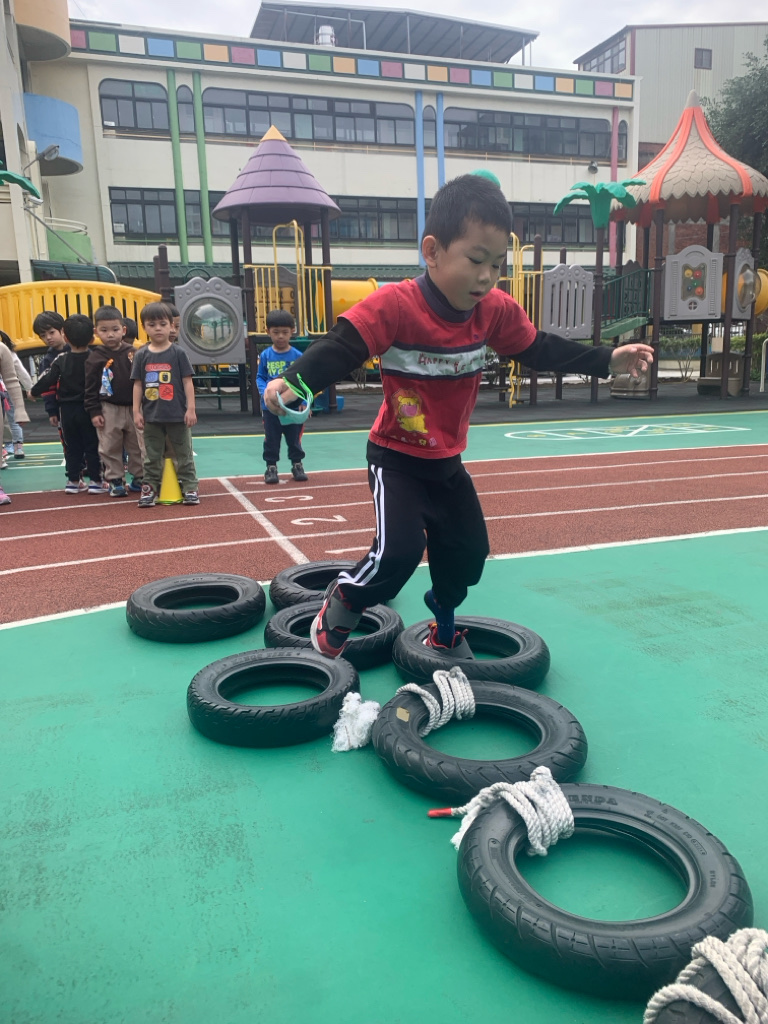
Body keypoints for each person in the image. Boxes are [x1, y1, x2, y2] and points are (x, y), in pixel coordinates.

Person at [263, 174, 654, 659]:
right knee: (398, 553)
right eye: (475, 260)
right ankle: (345, 599)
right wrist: (294, 383)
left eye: (497, 264)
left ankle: (442, 626)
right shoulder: (397, 305)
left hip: (447, 463)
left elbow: (538, 348)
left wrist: (606, 359)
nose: (487, 276)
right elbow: (343, 347)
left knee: (468, 554)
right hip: (395, 458)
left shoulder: (493, 311)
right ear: (432, 251)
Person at [131, 301, 199, 507]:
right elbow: (138, 384)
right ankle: (150, 487)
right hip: (151, 416)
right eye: (152, 325)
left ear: (171, 326)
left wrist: (191, 409)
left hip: (177, 414)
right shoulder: (141, 354)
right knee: (151, 455)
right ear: (144, 327)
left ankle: (190, 487)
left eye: (162, 324)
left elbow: (187, 382)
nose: (158, 328)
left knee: (184, 453)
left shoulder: (178, 353)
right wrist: (136, 411)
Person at [30, 313, 106, 495]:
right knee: (92, 444)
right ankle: (96, 480)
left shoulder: (61, 359)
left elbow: (47, 379)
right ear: (92, 337)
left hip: (67, 409)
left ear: (65, 337)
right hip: (89, 408)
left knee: (72, 446)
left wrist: (33, 391)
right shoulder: (95, 358)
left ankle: (73, 480)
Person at [84, 305, 143, 497]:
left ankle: (139, 476)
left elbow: (141, 380)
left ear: (123, 330)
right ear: (96, 332)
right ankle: (116, 479)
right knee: (110, 445)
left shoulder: (133, 353)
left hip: (134, 406)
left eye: (115, 329)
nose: (110, 334)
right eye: (104, 330)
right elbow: (90, 387)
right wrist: (94, 411)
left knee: (138, 444)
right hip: (108, 408)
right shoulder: (95, 357)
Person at [256, 310, 308, 484]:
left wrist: (304, 402)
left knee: (294, 438)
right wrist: (265, 392)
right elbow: (260, 377)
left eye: (285, 332)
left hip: (293, 406)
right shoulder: (265, 355)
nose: (280, 336)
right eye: (276, 332)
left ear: (292, 331)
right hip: (271, 408)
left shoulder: (298, 356)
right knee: (271, 438)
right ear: (268, 332)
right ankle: (271, 467)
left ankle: (297, 464)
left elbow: (304, 381)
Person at [33, 311, 70, 472]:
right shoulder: (47, 360)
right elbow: (47, 389)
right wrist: (51, 411)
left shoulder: (77, 350)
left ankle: (93, 466)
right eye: (43, 335)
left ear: (62, 330)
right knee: (67, 438)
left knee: (91, 437)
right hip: (62, 406)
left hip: (83, 403)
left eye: (51, 332)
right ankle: (75, 468)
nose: (48, 337)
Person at [0, 331, 31, 460]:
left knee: (7, 420)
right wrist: (29, 388)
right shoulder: (8, 351)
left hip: (4, 390)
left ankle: (8, 445)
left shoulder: (4, 351)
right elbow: (20, 373)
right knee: (12, 419)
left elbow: (16, 376)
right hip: (7, 390)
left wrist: (29, 388)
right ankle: (17, 446)